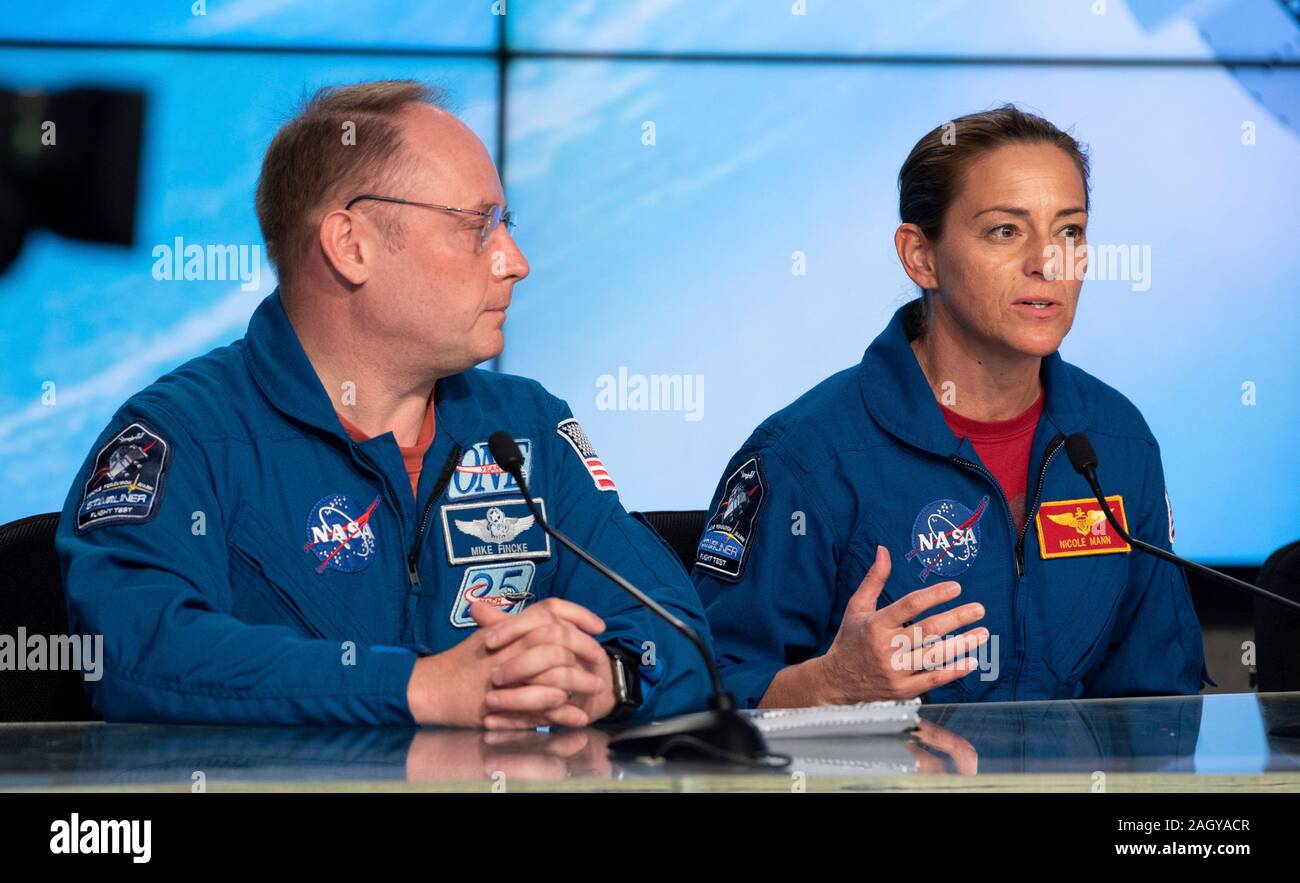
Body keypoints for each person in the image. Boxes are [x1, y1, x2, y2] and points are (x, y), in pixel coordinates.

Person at [56, 81, 714, 728]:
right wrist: (419, 688)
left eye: (505, 226)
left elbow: (677, 634)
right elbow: (133, 652)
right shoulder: (182, 435)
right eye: (478, 227)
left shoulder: (528, 427)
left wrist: (612, 677)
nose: (515, 262)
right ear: (351, 245)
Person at [692, 105, 1213, 708]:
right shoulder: (806, 456)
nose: (1047, 263)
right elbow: (705, 690)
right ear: (921, 257)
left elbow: (1161, 702)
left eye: (1069, 231)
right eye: (1005, 231)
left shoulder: (1118, 440)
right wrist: (830, 686)